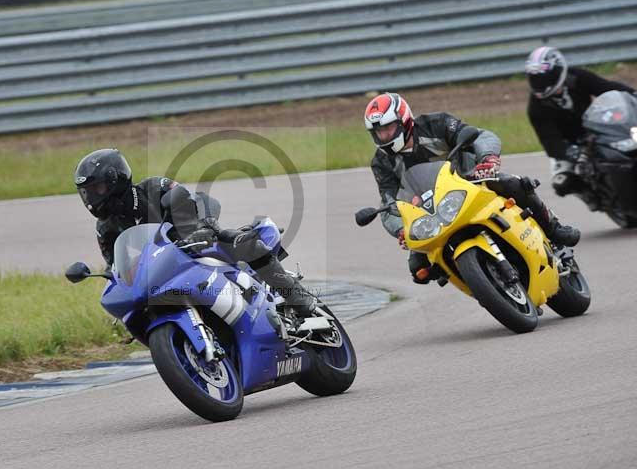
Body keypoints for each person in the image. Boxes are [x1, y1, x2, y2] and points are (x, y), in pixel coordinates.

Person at [364, 92, 580, 284]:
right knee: (418, 269)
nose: (384, 136)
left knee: (514, 184)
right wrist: (401, 228)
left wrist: (488, 159)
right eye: (378, 132)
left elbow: (480, 136)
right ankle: (470, 275)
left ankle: (553, 228)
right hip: (431, 211)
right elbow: (389, 201)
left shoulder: (436, 123)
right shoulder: (381, 163)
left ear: (403, 121)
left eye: (388, 129)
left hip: (471, 180)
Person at [73, 148, 315, 317]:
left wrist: (206, 226)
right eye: (86, 192)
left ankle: (298, 297)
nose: (91, 198)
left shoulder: (154, 187)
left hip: (200, 241)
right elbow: (114, 265)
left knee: (246, 243)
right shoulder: (106, 229)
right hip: (166, 268)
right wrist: (113, 279)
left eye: (96, 189)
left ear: (116, 180)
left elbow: (199, 200)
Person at [525, 46, 635, 198]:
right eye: (535, 78)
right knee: (562, 183)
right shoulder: (535, 108)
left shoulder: (577, 77)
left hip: (596, 130)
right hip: (570, 144)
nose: (540, 83)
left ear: (559, 71)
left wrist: (632, 95)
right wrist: (572, 153)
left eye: (545, 77)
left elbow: (608, 88)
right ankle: (597, 198)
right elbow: (550, 141)